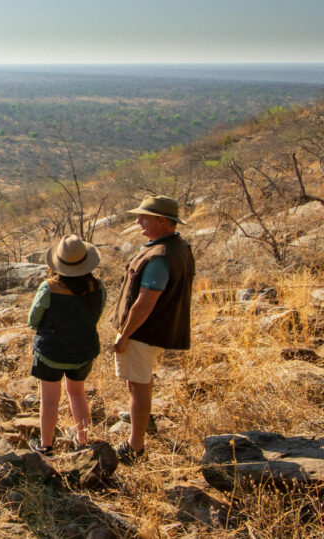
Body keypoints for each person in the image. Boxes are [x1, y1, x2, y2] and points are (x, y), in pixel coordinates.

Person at [112, 195, 195, 464]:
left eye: (144, 217)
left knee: (137, 387)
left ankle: (135, 446)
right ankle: (144, 425)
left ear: (162, 221)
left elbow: (145, 302)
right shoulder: (177, 246)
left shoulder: (159, 257)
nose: (138, 222)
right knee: (141, 381)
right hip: (154, 330)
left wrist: (124, 335)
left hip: (143, 332)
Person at [27, 235, 105, 455]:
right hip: (84, 350)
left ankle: (46, 446)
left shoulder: (49, 288)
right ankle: (82, 440)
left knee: (49, 400)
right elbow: (96, 314)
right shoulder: (97, 285)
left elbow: (33, 320)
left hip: (52, 352)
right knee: (78, 393)